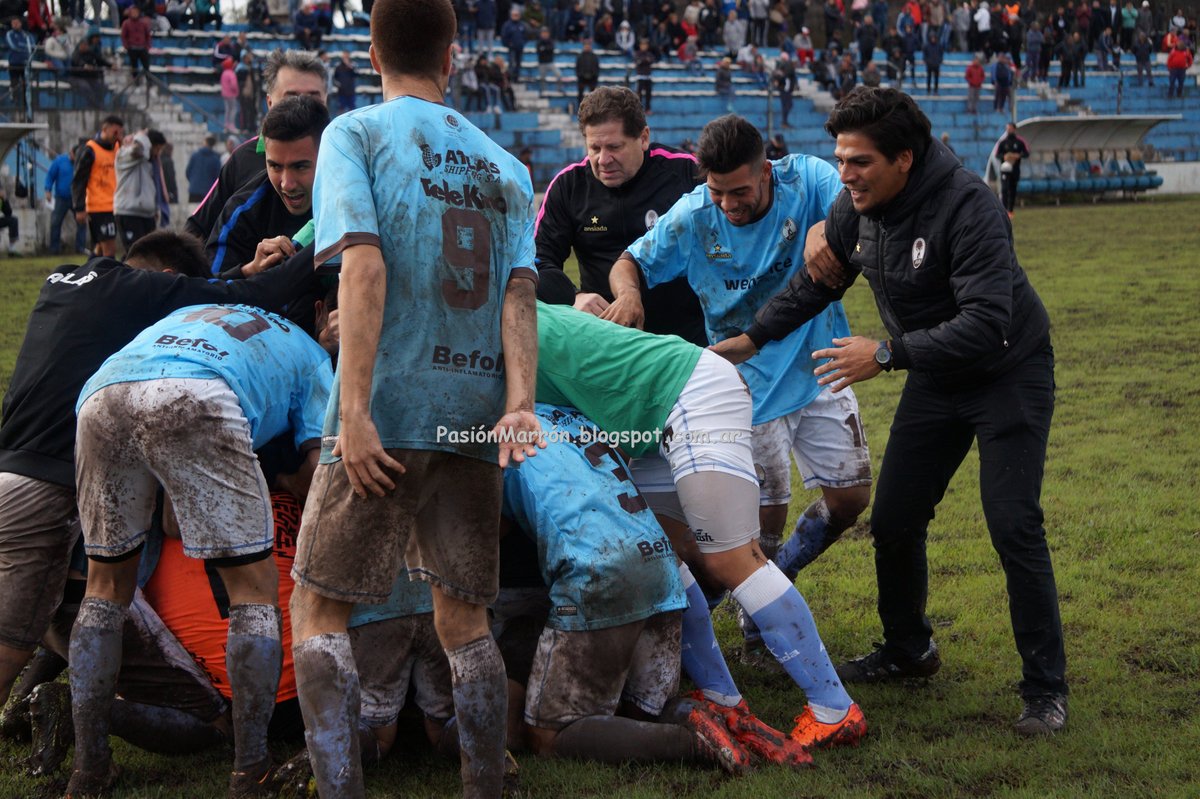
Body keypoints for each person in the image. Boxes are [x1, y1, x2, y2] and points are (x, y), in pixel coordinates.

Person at [711, 86, 1068, 737]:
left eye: (860, 162)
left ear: (904, 158)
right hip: (936, 377)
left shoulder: (970, 206)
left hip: (1007, 373)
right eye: (840, 161)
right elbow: (817, 283)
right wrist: (752, 339)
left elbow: (989, 321)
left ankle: (1045, 689)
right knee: (896, 519)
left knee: (1013, 523)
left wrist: (886, 352)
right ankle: (909, 648)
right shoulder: (858, 207)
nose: (845, 175)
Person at [288, 0, 542, 794]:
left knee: (318, 608)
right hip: (475, 414)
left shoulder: (355, 133)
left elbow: (362, 266)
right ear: (452, 55)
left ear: (371, 52)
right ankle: (484, 784)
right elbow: (520, 295)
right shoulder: (507, 165)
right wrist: (521, 403)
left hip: (389, 409)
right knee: (463, 615)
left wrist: (354, 411)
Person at [0, 230, 317, 724]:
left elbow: (206, 292)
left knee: (86, 597)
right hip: (45, 492)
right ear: (167, 281)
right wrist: (340, 230)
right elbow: (249, 296)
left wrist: (237, 272)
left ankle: (60, 715)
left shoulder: (69, 281)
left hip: (25, 467)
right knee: (15, 635)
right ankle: (96, 711)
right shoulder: (145, 296)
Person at [533, 296, 869, 754]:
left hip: (690, 391)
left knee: (733, 559)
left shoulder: (496, 328)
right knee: (661, 552)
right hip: (655, 413)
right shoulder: (508, 313)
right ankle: (720, 696)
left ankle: (834, 708)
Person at [607, 113, 871, 660]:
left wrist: (826, 228)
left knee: (851, 499)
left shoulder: (808, 180)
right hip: (743, 379)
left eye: (740, 191)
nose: (728, 203)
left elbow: (855, 203)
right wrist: (629, 293)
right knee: (765, 516)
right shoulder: (694, 215)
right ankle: (760, 623)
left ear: (766, 171)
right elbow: (629, 261)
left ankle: (778, 580)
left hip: (821, 361)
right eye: (717, 191)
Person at [66, 301, 332, 798]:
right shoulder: (312, 354)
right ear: (316, 314)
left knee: (105, 589)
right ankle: (251, 769)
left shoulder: (196, 308)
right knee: (253, 590)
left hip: (103, 393)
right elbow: (320, 472)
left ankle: (89, 769)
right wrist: (281, 479)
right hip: (199, 396)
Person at [499, 403, 783, 773]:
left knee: (549, 736)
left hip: (602, 572)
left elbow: (490, 533)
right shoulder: (570, 413)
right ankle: (698, 714)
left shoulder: (495, 432)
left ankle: (692, 743)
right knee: (637, 715)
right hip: (661, 563)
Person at [534, 86, 706, 345]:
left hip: (685, 340)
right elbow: (536, 262)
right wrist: (573, 297)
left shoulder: (686, 174)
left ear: (643, 138)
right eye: (594, 148)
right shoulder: (568, 187)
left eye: (614, 147)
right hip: (605, 341)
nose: (603, 159)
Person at [185, 49, 327, 243]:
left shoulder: (347, 158)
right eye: (291, 98)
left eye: (313, 99)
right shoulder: (244, 158)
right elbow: (197, 229)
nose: (303, 109)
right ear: (269, 103)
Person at [205, 96, 328, 280]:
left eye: (300, 167)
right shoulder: (243, 211)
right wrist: (250, 270)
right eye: (275, 166)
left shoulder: (359, 199)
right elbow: (209, 287)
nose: (287, 184)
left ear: (327, 157)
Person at [71, 115, 124, 259]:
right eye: (115, 132)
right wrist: (79, 208)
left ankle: (87, 271)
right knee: (109, 251)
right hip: (99, 208)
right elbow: (79, 180)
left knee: (100, 248)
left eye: (120, 133)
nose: (117, 136)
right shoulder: (90, 150)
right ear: (105, 129)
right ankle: (109, 273)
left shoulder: (118, 148)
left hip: (115, 206)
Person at [114, 128, 170, 255]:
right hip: (129, 212)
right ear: (149, 144)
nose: (158, 153)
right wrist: (141, 136)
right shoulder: (126, 154)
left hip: (147, 214)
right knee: (135, 254)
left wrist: (155, 208)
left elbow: (152, 188)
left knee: (148, 255)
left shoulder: (151, 163)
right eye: (157, 149)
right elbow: (137, 151)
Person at [45, 145, 88, 255]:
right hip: (61, 198)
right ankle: (54, 249)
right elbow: (50, 176)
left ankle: (80, 247)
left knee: (81, 222)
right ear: (71, 153)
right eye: (75, 156)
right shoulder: (59, 161)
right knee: (55, 222)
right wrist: (48, 190)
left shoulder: (82, 162)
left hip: (77, 198)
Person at [994, 121, 1029, 217]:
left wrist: (1018, 155)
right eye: (1007, 129)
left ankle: (1010, 210)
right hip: (1005, 170)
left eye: (1010, 128)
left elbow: (1026, 153)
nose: (1008, 130)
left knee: (1012, 189)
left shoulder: (1020, 141)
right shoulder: (1002, 142)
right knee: (1004, 189)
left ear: (1014, 129)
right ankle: (1004, 210)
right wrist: (1004, 156)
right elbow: (997, 155)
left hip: (1015, 169)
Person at [6, 17, 36, 116]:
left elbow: (32, 47)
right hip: (14, 63)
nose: (15, 25)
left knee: (25, 85)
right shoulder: (9, 34)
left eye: (16, 23)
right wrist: (24, 48)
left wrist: (25, 50)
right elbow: (13, 46)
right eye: (13, 23)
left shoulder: (26, 35)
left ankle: (26, 106)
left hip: (25, 64)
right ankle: (14, 102)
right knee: (14, 83)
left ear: (20, 23)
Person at [120, 4, 152, 83]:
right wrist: (126, 46)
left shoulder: (143, 23)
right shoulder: (126, 23)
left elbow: (148, 35)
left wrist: (147, 46)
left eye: (136, 12)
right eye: (133, 12)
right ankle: (135, 81)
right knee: (134, 66)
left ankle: (149, 81)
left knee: (146, 66)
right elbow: (123, 36)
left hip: (142, 48)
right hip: (132, 48)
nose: (134, 14)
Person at [500, 7, 526, 83]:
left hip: (520, 47)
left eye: (517, 15)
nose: (515, 16)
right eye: (514, 15)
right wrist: (508, 44)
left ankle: (516, 78)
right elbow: (504, 36)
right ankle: (510, 78)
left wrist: (523, 43)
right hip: (512, 48)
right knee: (511, 63)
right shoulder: (507, 25)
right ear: (511, 15)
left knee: (518, 64)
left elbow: (526, 35)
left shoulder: (522, 25)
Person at [535, 27, 561, 96]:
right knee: (542, 78)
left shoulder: (551, 41)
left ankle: (559, 89)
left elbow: (551, 49)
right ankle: (544, 91)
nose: (545, 34)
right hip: (542, 63)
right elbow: (539, 51)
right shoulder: (539, 42)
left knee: (558, 74)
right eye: (543, 33)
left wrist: (544, 49)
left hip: (550, 62)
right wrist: (546, 49)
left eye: (546, 33)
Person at [634, 38, 656, 113]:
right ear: (640, 46)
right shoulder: (637, 53)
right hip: (640, 76)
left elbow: (651, 60)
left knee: (648, 94)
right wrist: (645, 60)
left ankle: (647, 108)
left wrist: (643, 60)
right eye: (642, 45)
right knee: (639, 94)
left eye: (645, 45)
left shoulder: (649, 54)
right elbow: (638, 61)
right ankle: (638, 109)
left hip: (648, 76)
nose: (644, 46)